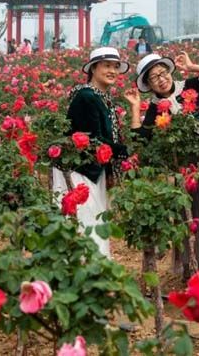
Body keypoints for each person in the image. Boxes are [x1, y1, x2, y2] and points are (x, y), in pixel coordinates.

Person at [124, 52, 199, 276]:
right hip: (185, 166)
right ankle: (194, 265)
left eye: (163, 73)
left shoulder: (189, 86)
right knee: (193, 213)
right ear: (149, 84)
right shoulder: (155, 108)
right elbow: (141, 139)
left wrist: (193, 66)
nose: (161, 79)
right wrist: (136, 108)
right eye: (154, 78)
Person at [52, 47, 130, 257]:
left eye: (115, 66)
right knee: (87, 221)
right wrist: (124, 152)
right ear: (93, 68)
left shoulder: (101, 97)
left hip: (93, 170)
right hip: (80, 171)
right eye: (106, 66)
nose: (112, 70)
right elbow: (92, 139)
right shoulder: (85, 96)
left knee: (95, 219)